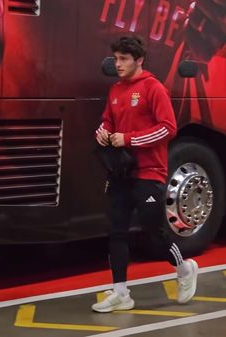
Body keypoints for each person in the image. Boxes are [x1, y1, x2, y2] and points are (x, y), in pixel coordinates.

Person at [92, 36, 198, 313]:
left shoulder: (153, 88)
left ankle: (185, 269)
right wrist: (102, 133)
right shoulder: (115, 90)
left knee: (154, 229)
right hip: (120, 174)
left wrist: (128, 139)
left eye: (124, 59)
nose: (118, 64)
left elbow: (168, 128)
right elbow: (107, 121)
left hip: (150, 172)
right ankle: (120, 293)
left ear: (139, 60)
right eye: (116, 59)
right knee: (116, 232)